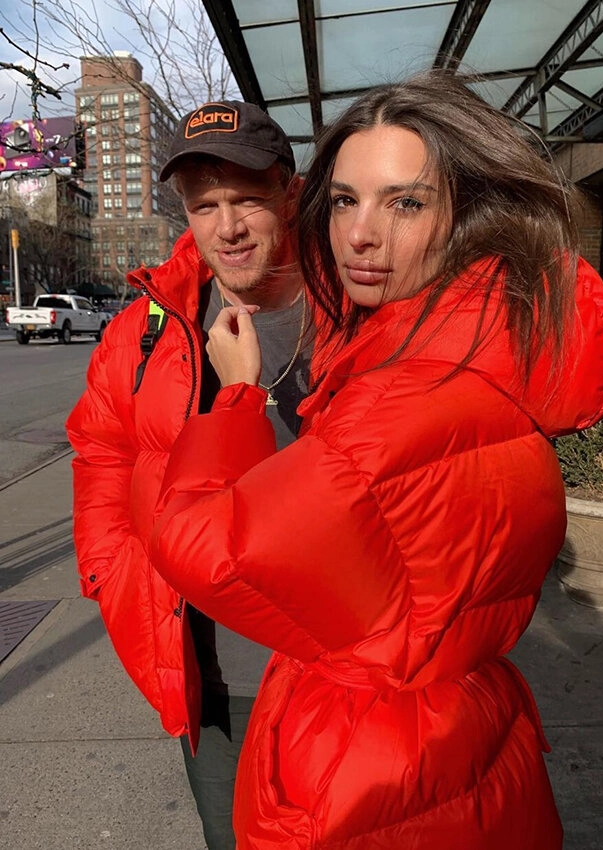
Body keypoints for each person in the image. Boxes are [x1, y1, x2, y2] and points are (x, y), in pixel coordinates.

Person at [145, 71, 603, 848]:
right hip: (440, 740)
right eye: (346, 200)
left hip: (378, 768)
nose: (362, 233)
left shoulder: (411, 383)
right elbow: (106, 460)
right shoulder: (461, 339)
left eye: (406, 201)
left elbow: (205, 548)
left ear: (467, 215)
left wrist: (235, 402)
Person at [66, 102, 309, 850]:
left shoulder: (357, 308)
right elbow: (101, 452)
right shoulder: (147, 327)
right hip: (210, 675)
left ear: (289, 195)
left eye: (246, 200)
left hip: (340, 668)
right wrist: (115, 572)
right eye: (206, 206)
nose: (227, 227)